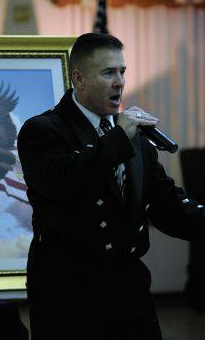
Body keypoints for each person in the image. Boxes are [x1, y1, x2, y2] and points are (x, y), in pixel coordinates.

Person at [17, 32, 205, 340]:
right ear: (78, 78)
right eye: (108, 73)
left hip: (129, 289)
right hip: (68, 294)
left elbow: (167, 205)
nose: (119, 82)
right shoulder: (42, 131)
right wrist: (118, 139)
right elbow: (63, 181)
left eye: (122, 72)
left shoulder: (133, 136)